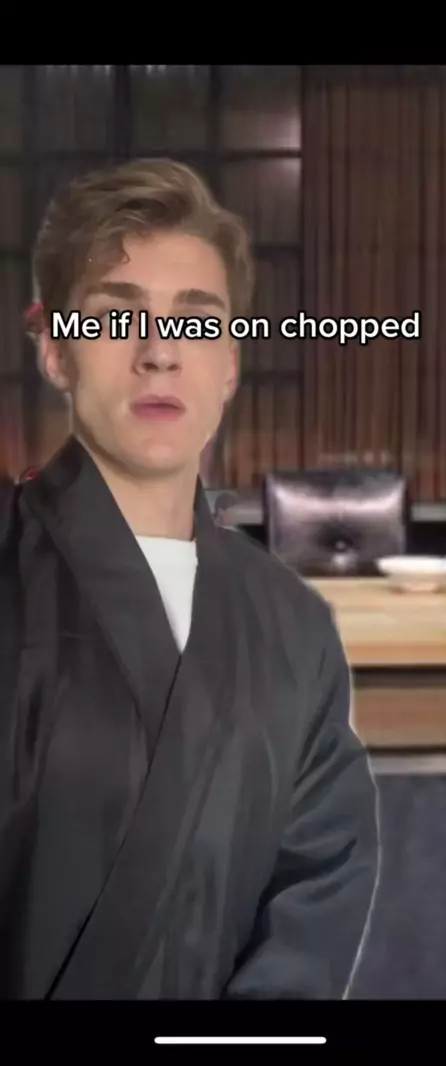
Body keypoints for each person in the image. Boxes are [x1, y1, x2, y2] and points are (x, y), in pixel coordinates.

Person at [0, 158, 379, 1000]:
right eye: (116, 316)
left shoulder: (292, 626)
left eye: (198, 323)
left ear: (231, 364)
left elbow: (316, 885)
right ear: (55, 349)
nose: (160, 354)